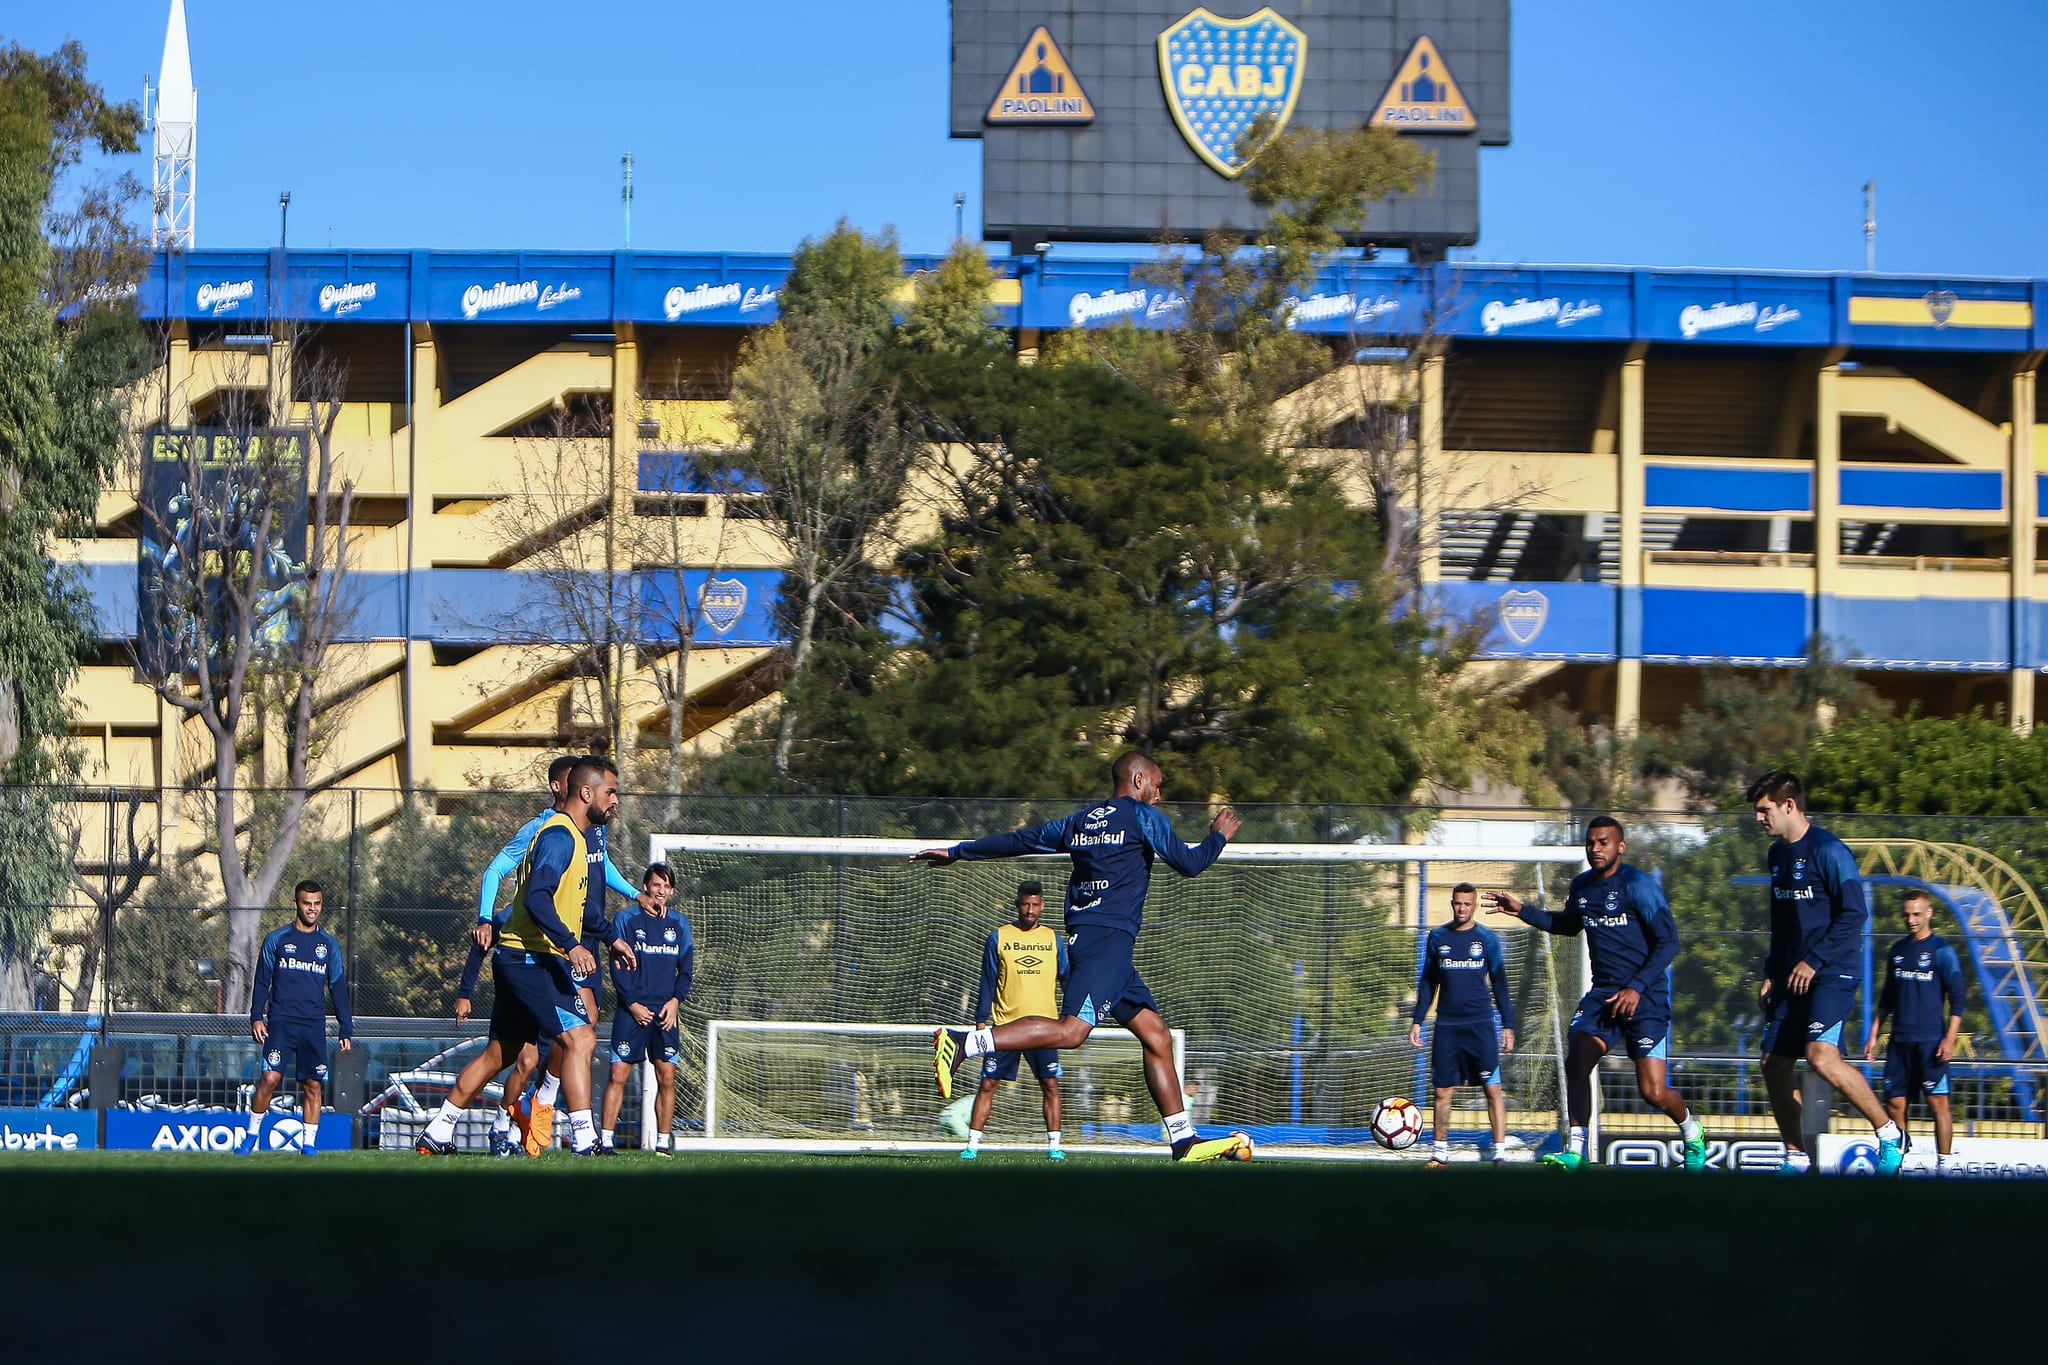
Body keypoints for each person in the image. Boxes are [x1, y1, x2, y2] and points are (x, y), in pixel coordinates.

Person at [913, 751, 1252, 1163]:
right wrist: (1218, 835)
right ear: (1140, 780)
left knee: (1156, 1035)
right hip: (1107, 943)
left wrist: (959, 851)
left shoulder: (1082, 821)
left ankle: (1183, 1139)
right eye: (1158, 784)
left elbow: (1021, 840)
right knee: (1072, 1032)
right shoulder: (1144, 819)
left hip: (1096, 944)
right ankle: (965, 1043)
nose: (1160, 795)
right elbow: (1191, 863)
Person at [416, 759, 618, 1157]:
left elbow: (576, 910)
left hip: (518, 957)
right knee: (581, 1035)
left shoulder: (575, 838)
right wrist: (571, 945)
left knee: (501, 1055)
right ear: (586, 793)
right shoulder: (561, 837)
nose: (615, 800)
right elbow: (537, 897)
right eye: (611, 791)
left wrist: (613, 938)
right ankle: (584, 1138)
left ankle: (438, 1130)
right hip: (532, 958)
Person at [1488, 817, 1706, 1171]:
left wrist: (1636, 987)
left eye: (1603, 842)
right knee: (1577, 1060)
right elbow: (1569, 925)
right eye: (1590, 843)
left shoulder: (1638, 885)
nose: (1595, 849)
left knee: (1653, 1091)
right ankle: (1576, 1151)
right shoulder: (1583, 886)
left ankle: (1692, 1131)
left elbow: (1669, 942)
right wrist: (1523, 911)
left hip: (1646, 997)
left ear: (1621, 846)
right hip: (1604, 994)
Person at [1747, 769, 1906, 1175]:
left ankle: (1890, 1134)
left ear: (1789, 805)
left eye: (1764, 810)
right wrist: (1771, 970)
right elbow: (1781, 923)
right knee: (1773, 1064)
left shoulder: (1829, 851)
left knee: (1821, 1056)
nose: (1758, 818)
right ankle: (1796, 1156)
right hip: (1791, 974)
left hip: (1832, 971)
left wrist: (1814, 960)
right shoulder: (1777, 854)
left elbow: (1855, 912)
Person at [959, 880, 1070, 1162]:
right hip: (1005, 1027)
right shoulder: (999, 936)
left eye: (1035, 904)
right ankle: (972, 1146)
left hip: (1045, 1027)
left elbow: (1068, 978)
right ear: (1017, 904)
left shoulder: (1053, 938)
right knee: (987, 1084)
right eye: (1025, 904)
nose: (1030, 910)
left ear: (1042, 906)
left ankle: (1054, 1147)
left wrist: (1072, 1013)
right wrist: (981, 1019)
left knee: (1050, 1085)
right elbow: (988, 979)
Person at [1410, 882, 1515, 1166]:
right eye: (1457, 903)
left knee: (1492, 1088)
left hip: (1480, 1023)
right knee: (1443, 1090)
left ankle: (1499, 1154)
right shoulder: (1438, 936)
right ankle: (1440, 1154)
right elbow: (1429, 982)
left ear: (1474, 906)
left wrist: (1508, 1024)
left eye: (1467, 904)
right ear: (1452, 904)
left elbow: (1501, 983)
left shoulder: (1487, 939)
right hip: (1447, 1025)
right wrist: (1418, 1019)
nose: (1462, 908)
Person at [1862, 889, 1967, 1174]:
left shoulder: (1942, 951)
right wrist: (1873, 1034)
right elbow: (1887, 999)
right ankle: (1896, 1166)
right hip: (1900, 1042)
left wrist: (1949, 1038)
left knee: (1938, 1105)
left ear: (1929, 913)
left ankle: (1944, 1167)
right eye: (1907, 914)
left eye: (1917, 914)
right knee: (1895, 1105)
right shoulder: (1897, 951)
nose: (1911, 920)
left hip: (1931, 1042)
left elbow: (1958, 998)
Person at [246, 880, 352, 1156]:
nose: (312, 908)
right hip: (281, 1022)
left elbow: (338, 986)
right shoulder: (277, 940)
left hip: (313, 1025)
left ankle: (308, 1145)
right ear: (296, 904)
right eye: (307, 903)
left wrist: (345, 1028)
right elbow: (261, 982)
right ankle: (251, 1136)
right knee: (270, 1078)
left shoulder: (328, 945)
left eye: (317, 903)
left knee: (313, 1084)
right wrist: (257, 1017)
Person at [598, 863, 695, 1155]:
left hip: (665, 1014)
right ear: (645, 888)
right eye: (656, 885)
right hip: (632, 1011)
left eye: (666, 886)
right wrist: (633, 1004)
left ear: (672, 891)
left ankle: (663, 1144)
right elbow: (617, 968)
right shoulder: (626, 919)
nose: (660, 891)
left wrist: (675, 1002)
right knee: (618, 1075)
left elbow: (687, 970)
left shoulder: (680, 924)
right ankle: (604, 1141)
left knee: (667, 1078)